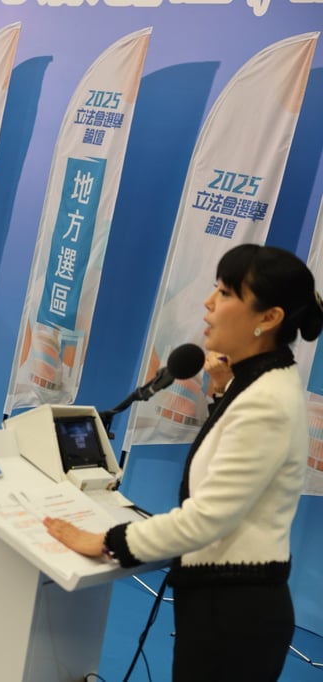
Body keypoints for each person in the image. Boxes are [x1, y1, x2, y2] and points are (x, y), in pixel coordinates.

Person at [44, 244, 323, 681]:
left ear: (269, 318)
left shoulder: (266, 400)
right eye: (215, 288)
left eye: (227, 293)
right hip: (228, 601)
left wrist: (107, 541)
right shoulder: (261, 382)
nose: (209, 304)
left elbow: (207, 518)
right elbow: (240, 458)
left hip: (234, 613)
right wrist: (220, 392)